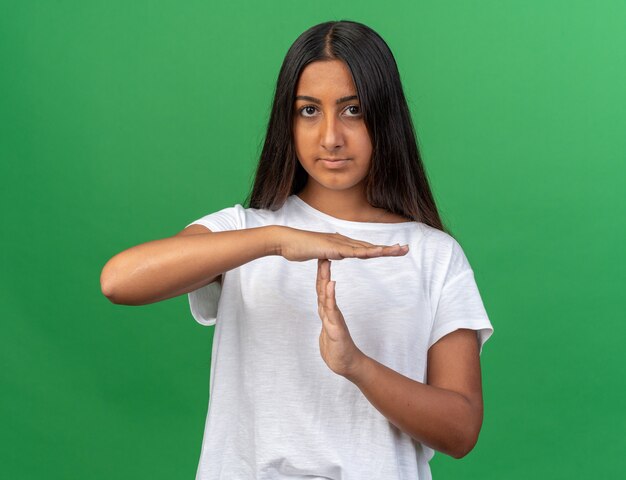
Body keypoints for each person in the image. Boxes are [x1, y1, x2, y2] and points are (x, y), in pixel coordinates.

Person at [101, 19, 494, 480]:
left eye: (353, 110)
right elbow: (118, 281)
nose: (330, 137)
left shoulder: (433, 254)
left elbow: (461, 429)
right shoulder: (243, 231)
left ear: (385, 117)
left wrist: (357, 366)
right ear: (287, 120)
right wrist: (277, 239)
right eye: (309, 111)